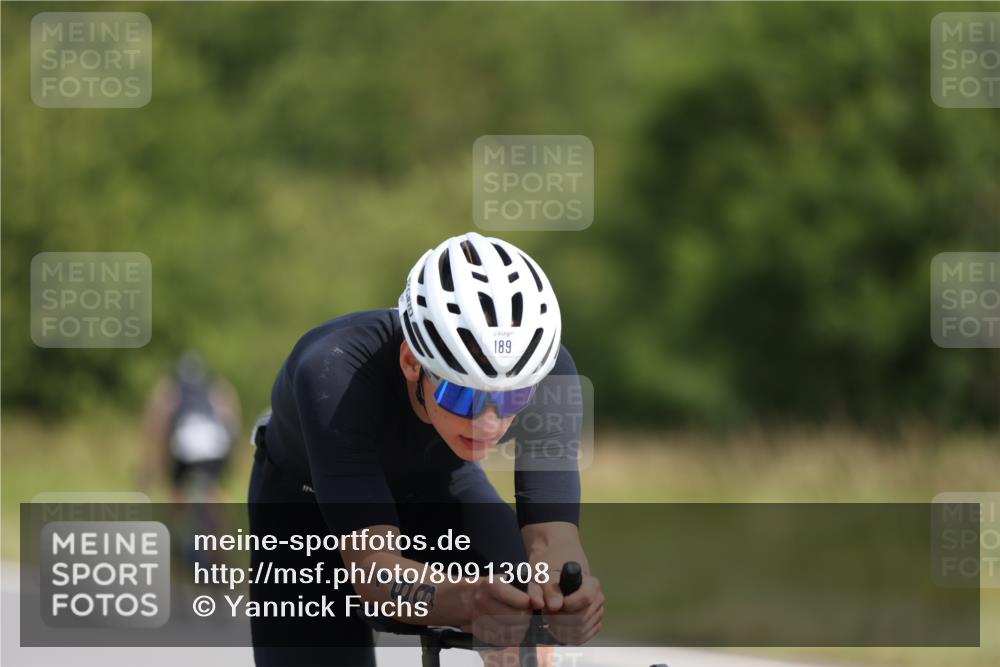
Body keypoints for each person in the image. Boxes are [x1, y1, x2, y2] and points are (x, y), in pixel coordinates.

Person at [248, 232, 604, 667]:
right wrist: (467, 600)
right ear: (412, 362)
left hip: (439, 484)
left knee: (530, 629)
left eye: (513, 397)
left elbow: (553, 541)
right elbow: (373, 570)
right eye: (463, 396)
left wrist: (567, 597)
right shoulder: (333, 371)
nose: (490, 422)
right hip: (304, 507)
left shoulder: (550, 378)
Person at [141, 350, 242, 502]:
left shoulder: (169, 389)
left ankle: (175, 522)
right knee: (215, 490)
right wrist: (232, 458)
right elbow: (232, 422)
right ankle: (223, 523)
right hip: (215, 444)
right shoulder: (217, 387)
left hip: (184, 443)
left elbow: (158, 428)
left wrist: (152, 466)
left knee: (177, 489)